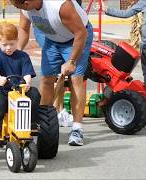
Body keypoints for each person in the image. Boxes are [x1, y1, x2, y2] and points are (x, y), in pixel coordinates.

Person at [10, 0, 93, 146]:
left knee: (75, 79)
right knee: (47, 79)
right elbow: (23, 29)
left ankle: (77, 129)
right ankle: (42, 123)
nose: (20, 9)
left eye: (20, 6)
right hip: (52, 40)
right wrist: (16, 53)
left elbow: (81, 32)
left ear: (28, 2)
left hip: (76, 38)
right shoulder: (25, 8)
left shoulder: (60, 6)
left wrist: (72, 61)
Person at [0, 23, 41, 143]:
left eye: (12, 44)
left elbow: (27, 73)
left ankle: (33, 123)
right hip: (3, 90)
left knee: (35, 93)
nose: (8, 48)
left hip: (20, 90)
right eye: (5, 45)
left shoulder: (23, 56)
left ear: (17, 41)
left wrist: (27, 83)